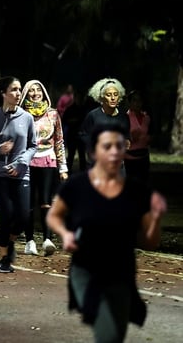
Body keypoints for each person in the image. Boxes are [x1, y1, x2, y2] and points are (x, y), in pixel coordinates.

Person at [46, 123, 166, 342]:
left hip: (121, 271)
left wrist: (156, 219)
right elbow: (54, 216)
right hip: (87, 271)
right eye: (107, 146)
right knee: (107, 331)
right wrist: (65, 234)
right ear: (93, 152)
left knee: (116, 335)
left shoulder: (137, 191)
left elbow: (149, 243)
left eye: (119, 146)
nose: (114, 152)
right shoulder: (77, 186)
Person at [0, 76, 37, 273]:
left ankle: (10, 241)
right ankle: (3, 258)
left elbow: (32, 146)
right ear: (4, 93)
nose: (18, 94)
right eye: (14, 90)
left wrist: (22, 163)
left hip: (21, 172)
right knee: (7, 214)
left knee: (22, 217)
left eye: (20, 90)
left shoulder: (27, 118)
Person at [18, 79, 68, 256]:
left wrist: (63, 167)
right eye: (31, 90)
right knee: (28, 203)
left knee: (46, 201)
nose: (35, 93)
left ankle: (48, 239)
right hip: (26, 162)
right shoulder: (20, 114)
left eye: (38, 89)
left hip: (48, 160)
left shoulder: (53, 114)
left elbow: (59, 141)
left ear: (44, 92)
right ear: (25, 94)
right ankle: (29, 240)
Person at [80, 78, 130, 167]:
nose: (113, 98)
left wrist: (127, 141)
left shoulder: (124, 116)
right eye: (109, 95)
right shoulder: (93, 116)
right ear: (101, 97)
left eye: (115, 94)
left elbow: (127, 135)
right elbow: (84, 135)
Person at [124, 90, 151, 183]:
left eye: (139, 101)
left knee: (143, 186)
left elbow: (149, 134)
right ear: (130, 102)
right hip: (130, 159)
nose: (137, 103)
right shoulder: (125, 118)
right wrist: (131, 139)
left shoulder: (146, 118)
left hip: (144, 157)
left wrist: (149, 138)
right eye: (134, 100)